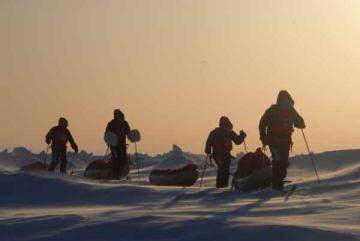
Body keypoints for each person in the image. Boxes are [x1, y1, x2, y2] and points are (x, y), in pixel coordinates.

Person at [259, 90, 305, 191]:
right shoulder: (271, 111)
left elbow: (298, 122)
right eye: (285, 101)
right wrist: (264, 137)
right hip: (273, 141)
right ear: (280, 101)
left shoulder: (291, 111)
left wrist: (301, 122)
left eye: (287, 101)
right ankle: (277, 184)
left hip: (286, 141)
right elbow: (262, 123)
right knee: (278, 161)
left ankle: (278, 180)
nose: (286, 103)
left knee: (284, 162)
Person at [205, 116, 247, 188]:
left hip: (217, 155)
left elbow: (208, 142)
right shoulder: (230, 132)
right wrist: (242, 136)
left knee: (222, 169)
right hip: (225, 155)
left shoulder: (214, 132)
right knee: (224, 169)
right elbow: (237, 141)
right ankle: (223, 186)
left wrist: (208, 150)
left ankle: (220, 186)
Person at [105, 109, 131, 179]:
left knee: (124, 160)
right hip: (114, 146)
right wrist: (109, 141)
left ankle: (121, 175)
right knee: (116, 159)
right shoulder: (111, 124)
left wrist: (132, 137)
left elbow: (129, 133)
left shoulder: (124, 124)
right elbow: (107, 134)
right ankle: (115, 175)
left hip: (122, 146)